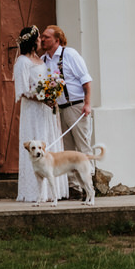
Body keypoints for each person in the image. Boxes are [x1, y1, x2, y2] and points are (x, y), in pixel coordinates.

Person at [12, 24, 66, 203]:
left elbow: (45, 80)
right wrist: (42, 97)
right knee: (36, 143)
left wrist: (52, 93)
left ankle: (52, 191)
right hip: (33, 111)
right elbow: (23, 90)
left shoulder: (40, 59)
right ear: (32, 41)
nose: (40, 40)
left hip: (46, 109)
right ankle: (35, 192)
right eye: (38, 38)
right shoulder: (22, 62)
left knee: (48, 143)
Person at [41, 25, 94, 179]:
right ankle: (74, 186)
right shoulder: (44, 59)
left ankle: (90, 184)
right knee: (67, 150)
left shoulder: (69, 54)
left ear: (57, 40)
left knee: (82, 146)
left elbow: (86, 80)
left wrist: (87, 103)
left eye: (46, 37)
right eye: (42, 37)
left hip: (76, 106)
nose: (43, 39)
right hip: (59, 110)